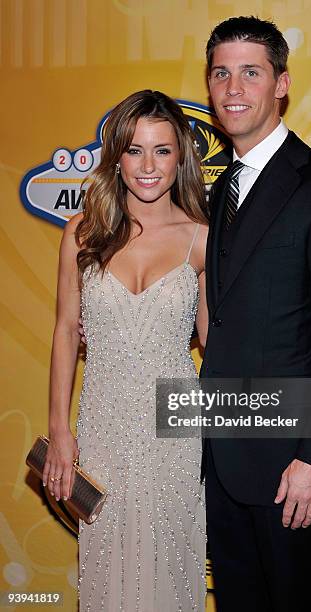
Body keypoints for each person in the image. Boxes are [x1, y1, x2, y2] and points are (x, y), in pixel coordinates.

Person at [200, 16, 311, 612]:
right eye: (221, 74)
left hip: (292, 470)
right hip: (223, 461)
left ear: (282, 84)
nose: (233, 88)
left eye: (251, 72)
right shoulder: (220, 191)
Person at [43, 90, 208, 611]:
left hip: (175, 434)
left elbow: (218, 342)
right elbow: (67, 330)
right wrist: (59, 431)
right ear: (116, 155)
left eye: (162, 150)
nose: (148, 165)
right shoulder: (83, 232)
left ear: (180, 156)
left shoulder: (201, 239)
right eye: (135, 150)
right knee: (109, 577)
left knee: (168, 570)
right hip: (102, 428)